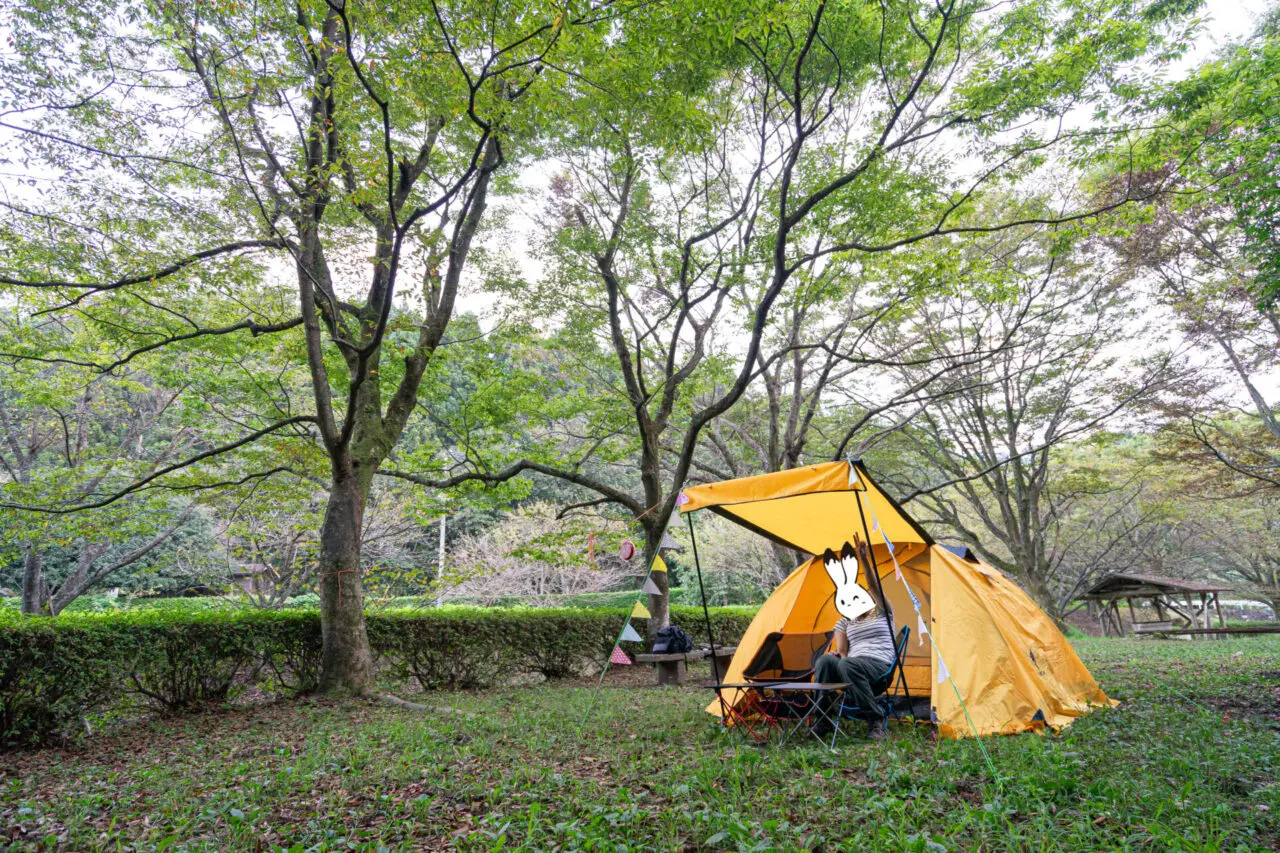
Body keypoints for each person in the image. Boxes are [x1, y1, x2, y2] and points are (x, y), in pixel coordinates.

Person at [812, 606, 895, 739]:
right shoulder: (845, 621)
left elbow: (875, 588)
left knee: (848, 664)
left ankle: (876, 721)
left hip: (878, 664)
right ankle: (822, 720)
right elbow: (843, 653)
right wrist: (838, 656)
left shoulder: (882, 612)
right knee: (825, 660)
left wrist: (872, 584)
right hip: (852, 666)